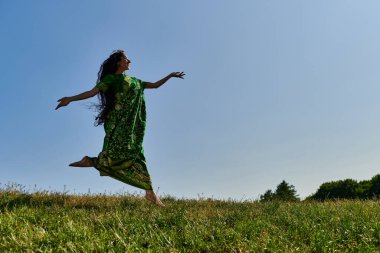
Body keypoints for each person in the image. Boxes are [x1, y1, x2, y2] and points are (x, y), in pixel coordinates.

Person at [55, 50, 185, 207]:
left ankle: (149, 192)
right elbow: (92, 92)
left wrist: (170, 75)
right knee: (118, 153)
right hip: (118, 123)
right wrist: (70, 99)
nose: (130, 61)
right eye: (126, 59)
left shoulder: (136, 82)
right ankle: (94, 162)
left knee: (137, 153)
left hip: (132, 126)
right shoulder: (111, 79)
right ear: (118, 62)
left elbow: (155, 85)